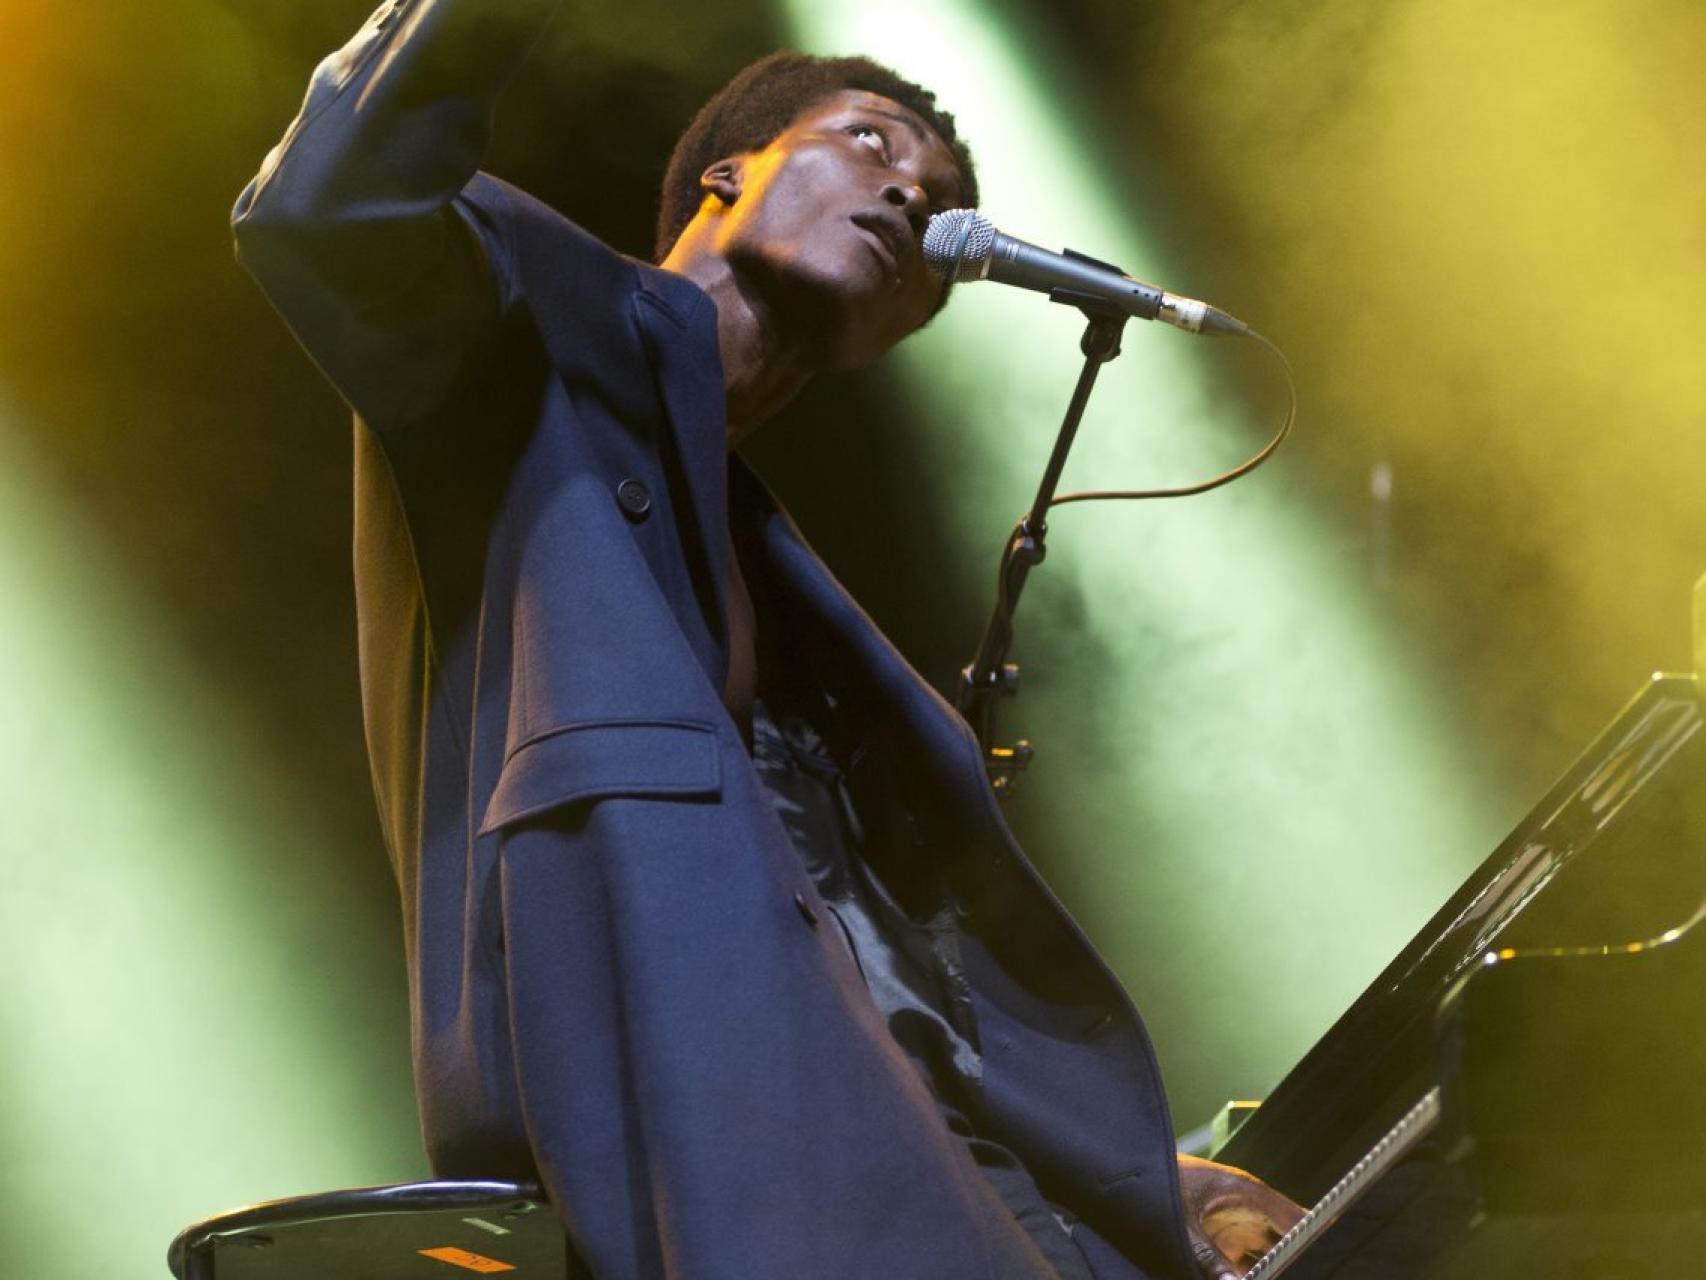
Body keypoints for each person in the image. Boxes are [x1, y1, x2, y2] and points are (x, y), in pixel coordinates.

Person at [233, 0, 1301, 1275]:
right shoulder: (515, 330)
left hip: (895, 1181)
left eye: (935, 191)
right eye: (871, 143)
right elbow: (318, 204)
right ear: (725, 177)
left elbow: (880, 975)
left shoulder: (774, 578)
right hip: (715, 1162)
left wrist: (1126, 1173)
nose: (911, 194)